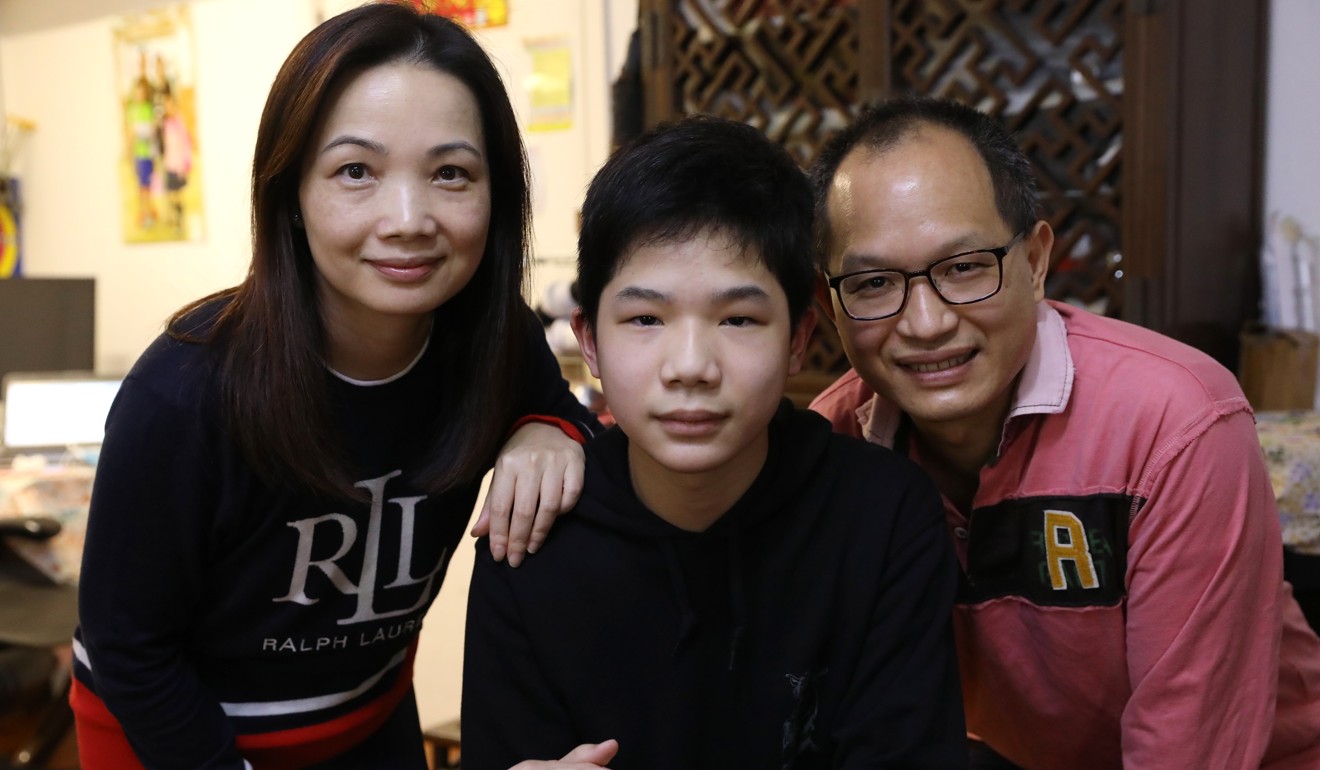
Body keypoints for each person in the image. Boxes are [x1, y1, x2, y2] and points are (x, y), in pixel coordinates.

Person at [71, 4, 599, 768]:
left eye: (451, 173)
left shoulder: (495, 342)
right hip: (170, 734)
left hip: (369, 717)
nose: (410, 219)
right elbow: (129, 646)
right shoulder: (182, 393)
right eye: (357, 171)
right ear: (290, 195)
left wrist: (550, 428)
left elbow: (552, 407)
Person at [807, 96, 1320, 769]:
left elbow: (1189, 754)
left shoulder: (1175, 422)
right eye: (873, 282)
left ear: (1036, 261)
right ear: (830, 306)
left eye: (964, 268)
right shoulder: (828, 448)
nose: (926, 323)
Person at [462, 115, 968, 769]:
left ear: (797, 339)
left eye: (737, 318)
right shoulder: (531, 533)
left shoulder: (883, 516)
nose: (691, 366)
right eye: (645, 318)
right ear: (589, 342)